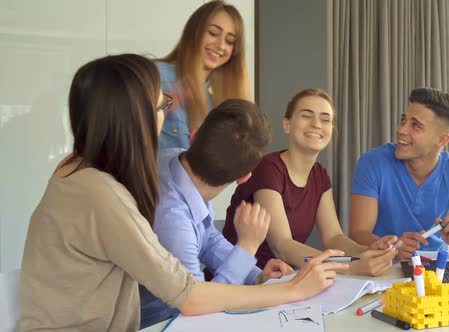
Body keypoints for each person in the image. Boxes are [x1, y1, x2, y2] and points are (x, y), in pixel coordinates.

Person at [18, 54, 348, 332]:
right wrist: (291, 289)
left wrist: (257, 274)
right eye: (162, 104)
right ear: (136, 121)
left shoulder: (80, 167)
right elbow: (190, 299)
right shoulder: (104, 196)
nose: (166, 114)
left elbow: (203, 237)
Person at [140, 99, 295, 328]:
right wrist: (247, 247)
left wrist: (256, 275)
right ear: (244, 178)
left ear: (194, 137)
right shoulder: (174, 221)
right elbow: (200, 308)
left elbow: (207, 239)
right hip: (158, 324)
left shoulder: (171, 157)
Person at [222, 88, 399, 277]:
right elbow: (282, 245)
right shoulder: (268, 168)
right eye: (307, 116)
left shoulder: (320, 175)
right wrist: (351, 267)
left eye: (325, 119)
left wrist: (367, 251)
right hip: (239, 280)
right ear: (287, 124)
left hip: (280, 280)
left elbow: (334, 238)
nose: (316, 124)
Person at [348, 87, 449, 259]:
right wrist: (392, 248)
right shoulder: (372, 163)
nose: (401, 130)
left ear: (442, 140)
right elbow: (358, 233)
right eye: (403, 120)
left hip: (435, 270)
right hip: (383, 265)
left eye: (415, 125)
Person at [157, 0, 250, 149]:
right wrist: (159, 107)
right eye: (213, 33)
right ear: (194, 31)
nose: (220, 46)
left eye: (230, 41)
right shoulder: (155, 75)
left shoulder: (217, 105)